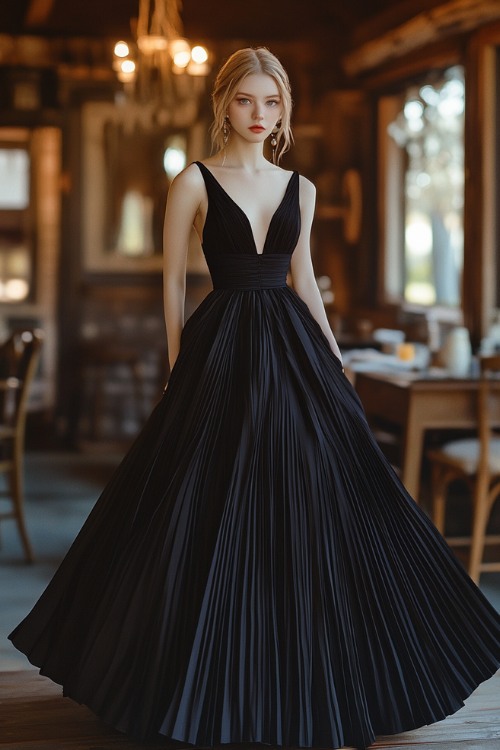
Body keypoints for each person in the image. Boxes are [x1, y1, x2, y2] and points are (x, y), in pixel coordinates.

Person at [9, 47, 500, 750]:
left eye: (272, 104)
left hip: (294, 348)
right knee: (201, 502)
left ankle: (319, 675)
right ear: (224, 104)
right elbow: (172, 285)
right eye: (247, 101)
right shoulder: (194, 181)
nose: (260, 115)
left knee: (317, 494)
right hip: (222, 347)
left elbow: (305, 279)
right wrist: (178, 366)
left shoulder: (301, 187)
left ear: (284, 111)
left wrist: (335, 364)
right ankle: (188, 676)